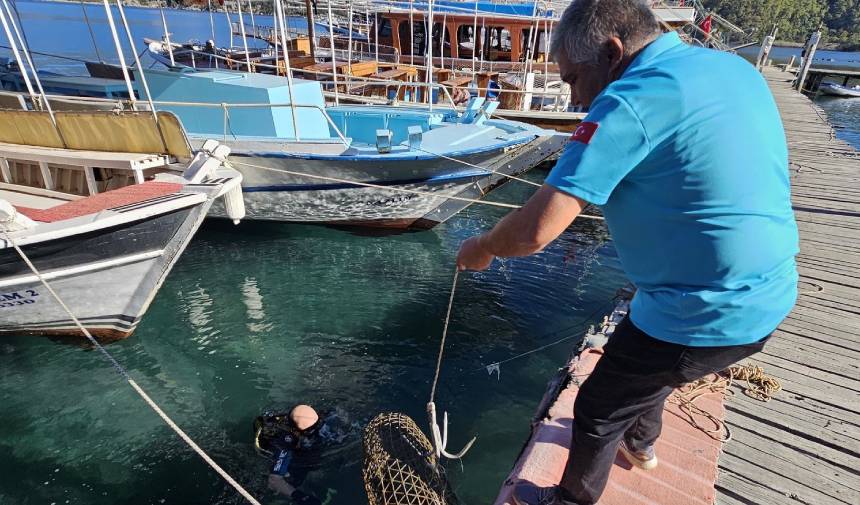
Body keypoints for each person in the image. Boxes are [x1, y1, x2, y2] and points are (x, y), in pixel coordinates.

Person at [455, 1, 799, 504]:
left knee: (598, 406)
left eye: (574, 79)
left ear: (613, 53)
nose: (574, 100)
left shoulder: (630, 102)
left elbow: (535, 232)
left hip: (706, 311)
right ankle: (641, 445)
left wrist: (482, 246)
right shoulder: (730, 66)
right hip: (772, 293)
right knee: (649, 367)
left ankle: (571, 498)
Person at [254, 405, 324, 505]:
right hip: (276, 451)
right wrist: (301, 497)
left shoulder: (303, 419)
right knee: (295, 478)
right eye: (311, 432)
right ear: (296, 432)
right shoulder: (284, 445)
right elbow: (274, 480)